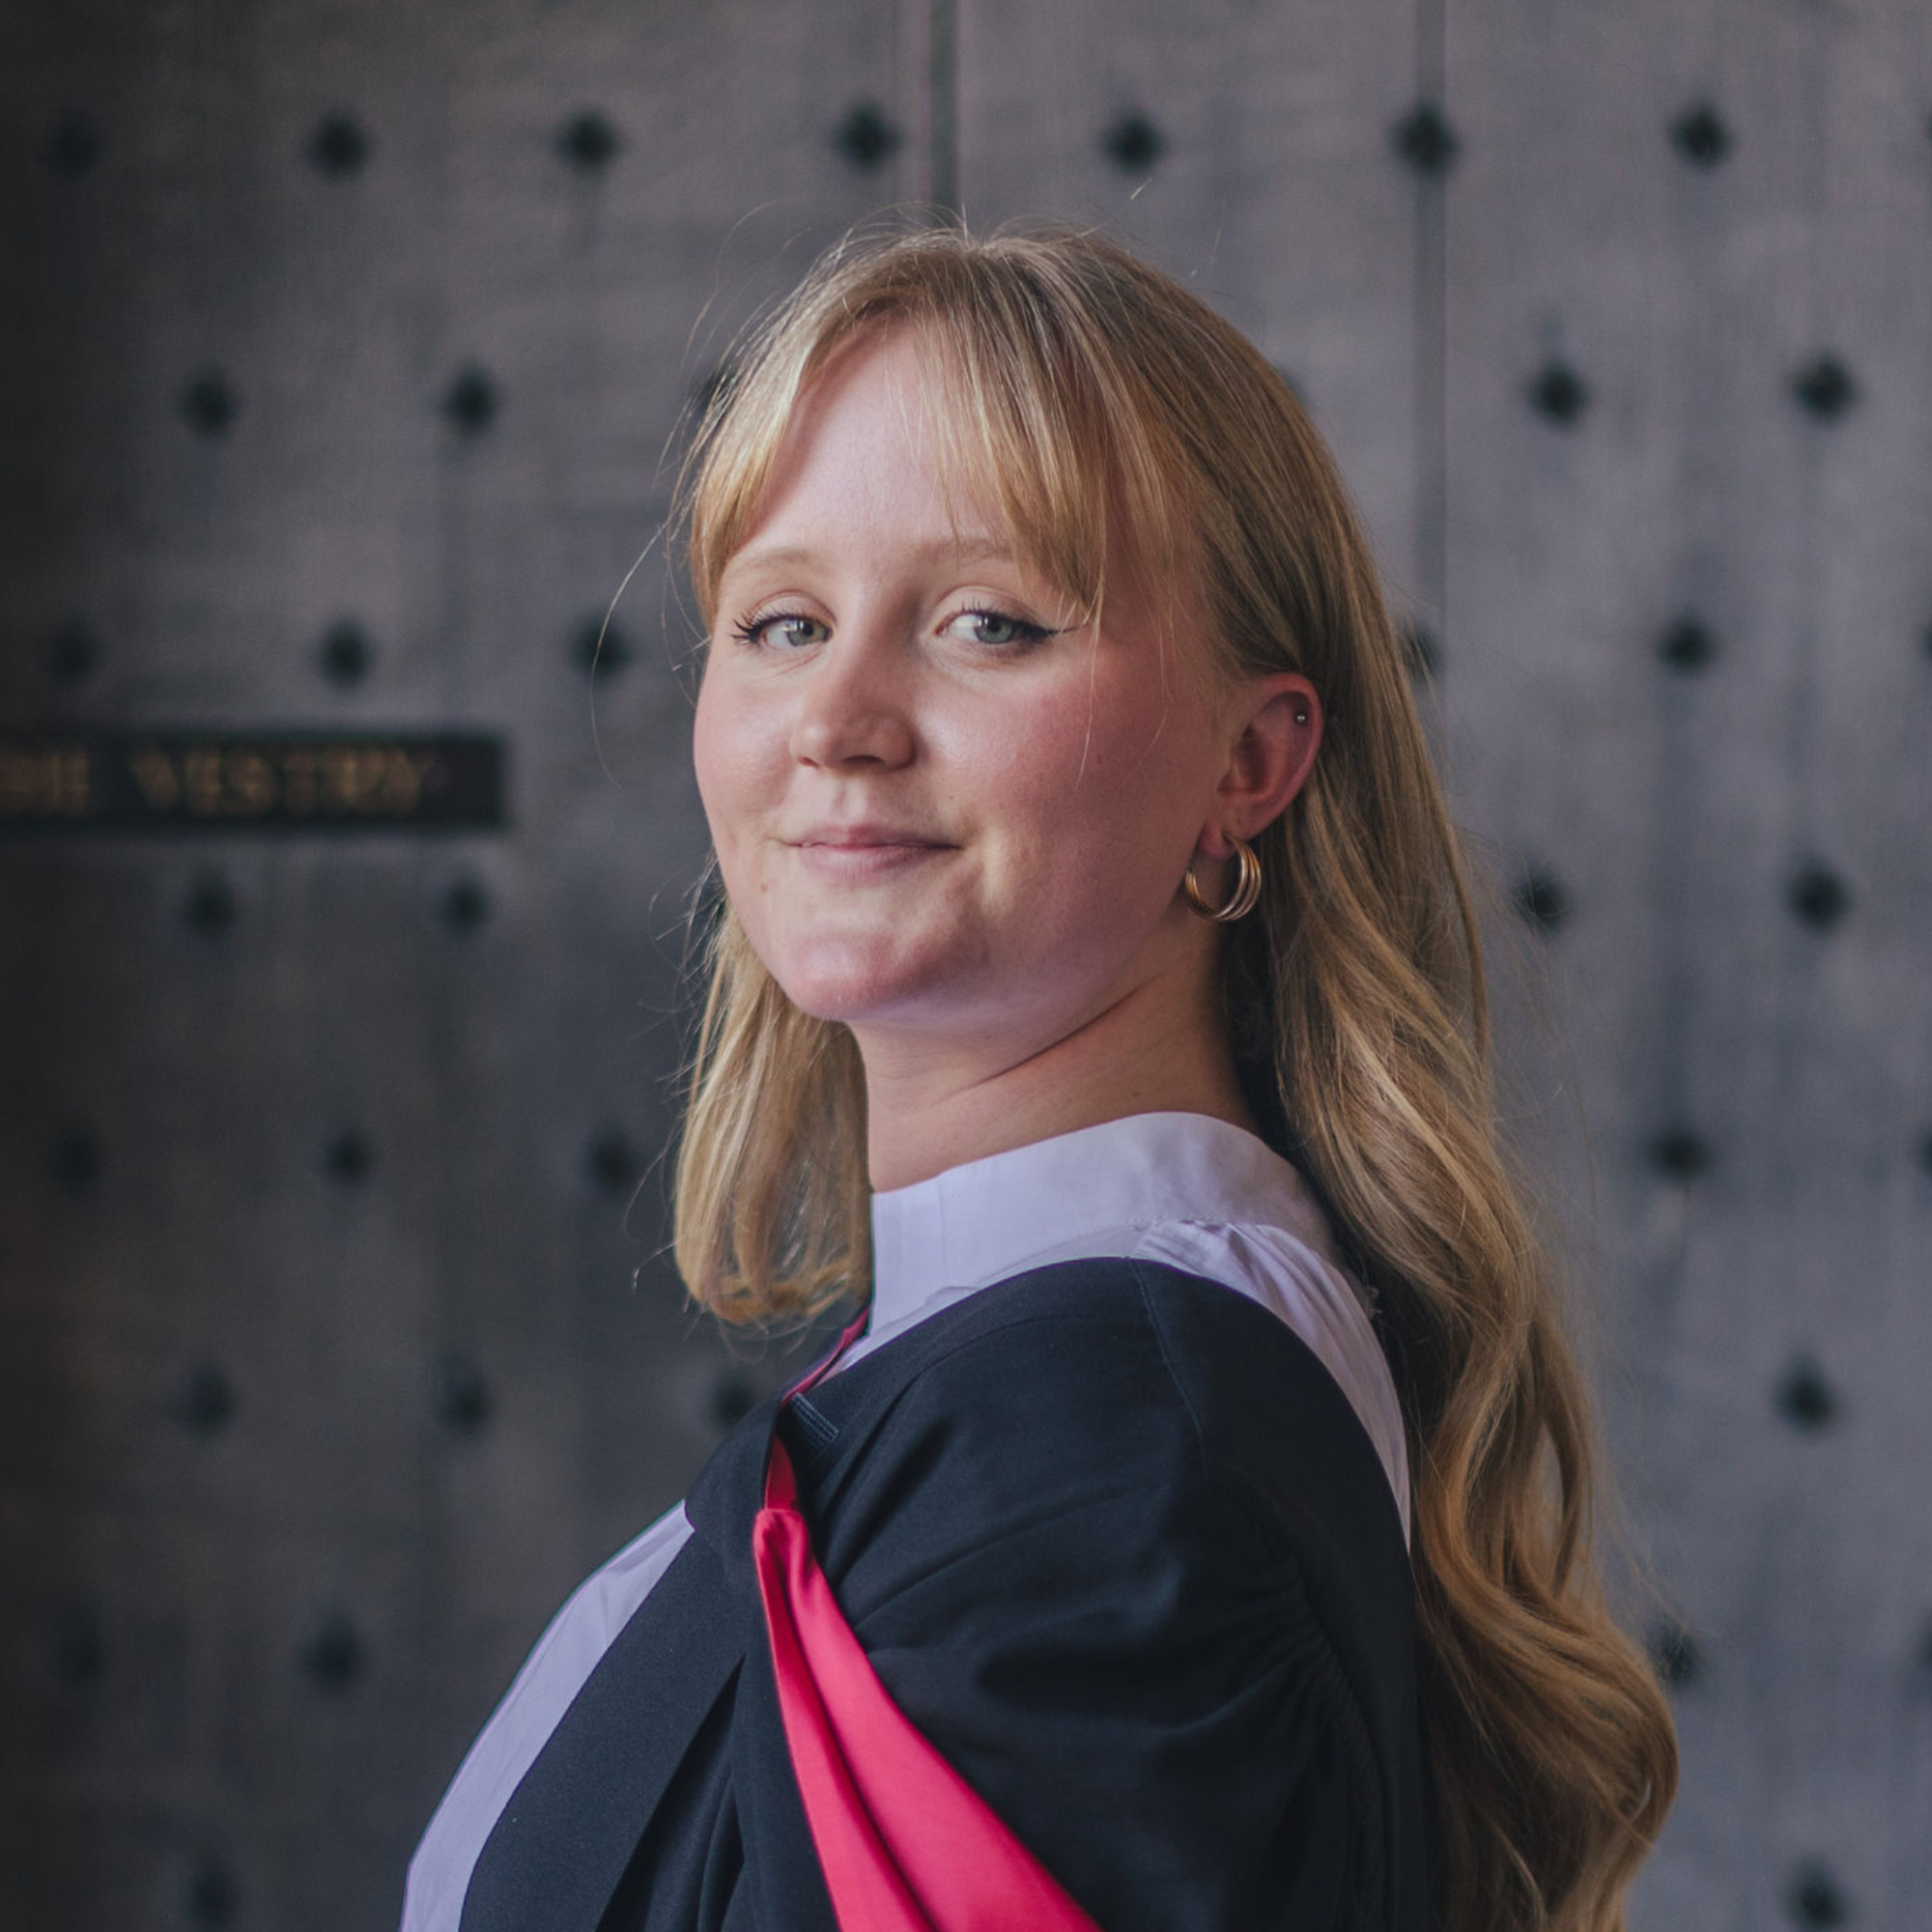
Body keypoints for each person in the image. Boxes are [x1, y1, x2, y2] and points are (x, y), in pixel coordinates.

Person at [401, 223, 1679, 1932]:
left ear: (1248, 762)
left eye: (988, 623)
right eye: (780, 620)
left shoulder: (1110, 1455)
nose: (836, 718)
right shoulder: (1039, 1361)